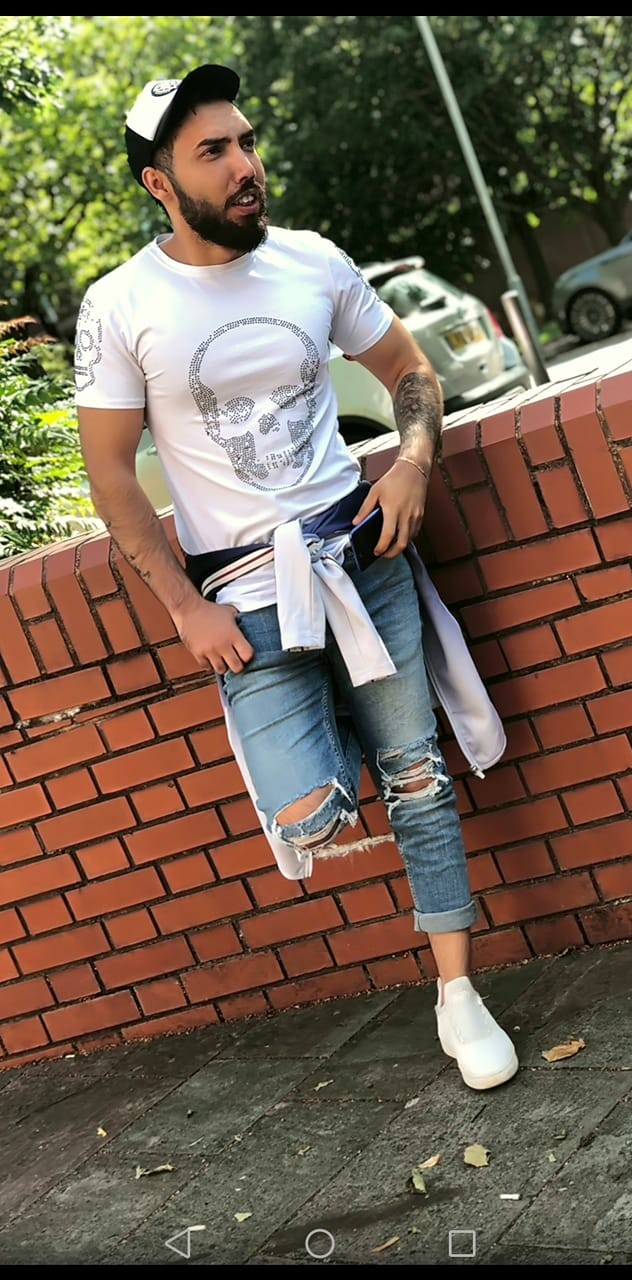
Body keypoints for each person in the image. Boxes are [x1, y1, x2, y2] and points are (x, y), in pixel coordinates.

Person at [74, 63, 518, 1092]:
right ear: (159, 182)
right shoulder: (121, 304)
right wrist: (183, 609)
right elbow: (111, 479)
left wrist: (412, 461)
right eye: (213, 152)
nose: (245, 165)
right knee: (312, 811)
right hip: (243, 598)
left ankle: (458, 993)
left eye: (244, 142)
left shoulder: (312, 261)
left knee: (417, 776)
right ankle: (343, 744)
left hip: (362, 557)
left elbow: (409, 371)